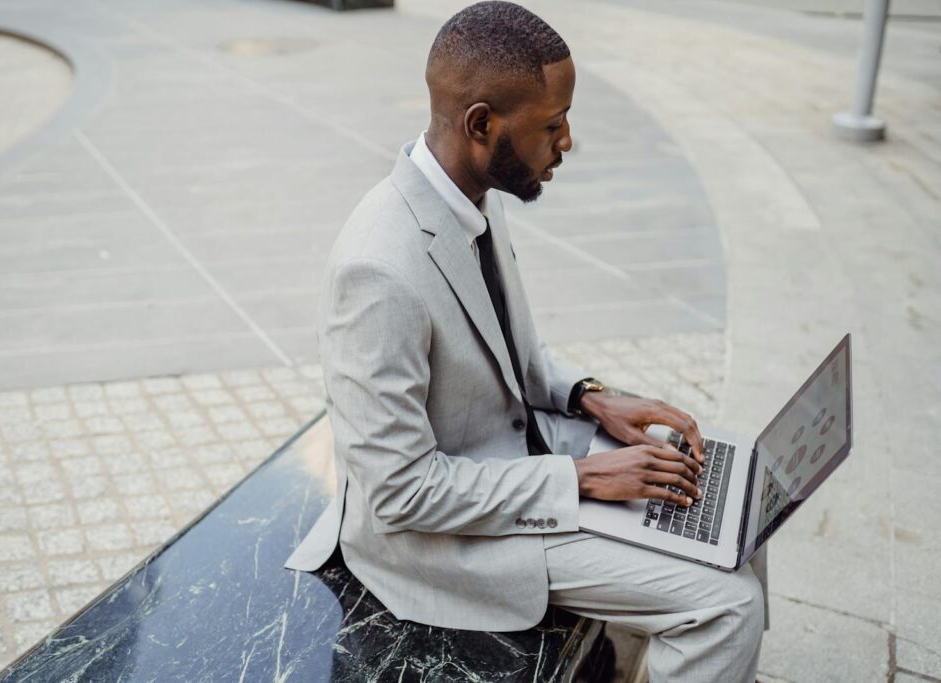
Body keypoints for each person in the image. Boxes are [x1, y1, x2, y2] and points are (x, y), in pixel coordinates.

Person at [286, 2, 767, 680]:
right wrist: (583, 478)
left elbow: (517, 356)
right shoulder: (378, 270)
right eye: (552, 124)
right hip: (448, 540)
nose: (566, 141)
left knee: (734, 502)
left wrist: (594, 398)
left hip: (523, 456)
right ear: (481, 124)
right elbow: (398, 492)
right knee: (728, 603)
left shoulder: (473, 194)